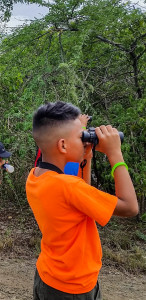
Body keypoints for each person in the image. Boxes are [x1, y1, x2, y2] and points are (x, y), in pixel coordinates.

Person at [26, 101, 138, 299]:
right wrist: (115, 154)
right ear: (62, 145)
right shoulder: (69, 187)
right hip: (73, 287)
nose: (86, 140)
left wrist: (85, 156)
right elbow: (130, 207)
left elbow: (79, 194)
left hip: (48, 276)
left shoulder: (35, 176)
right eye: (82, 137)